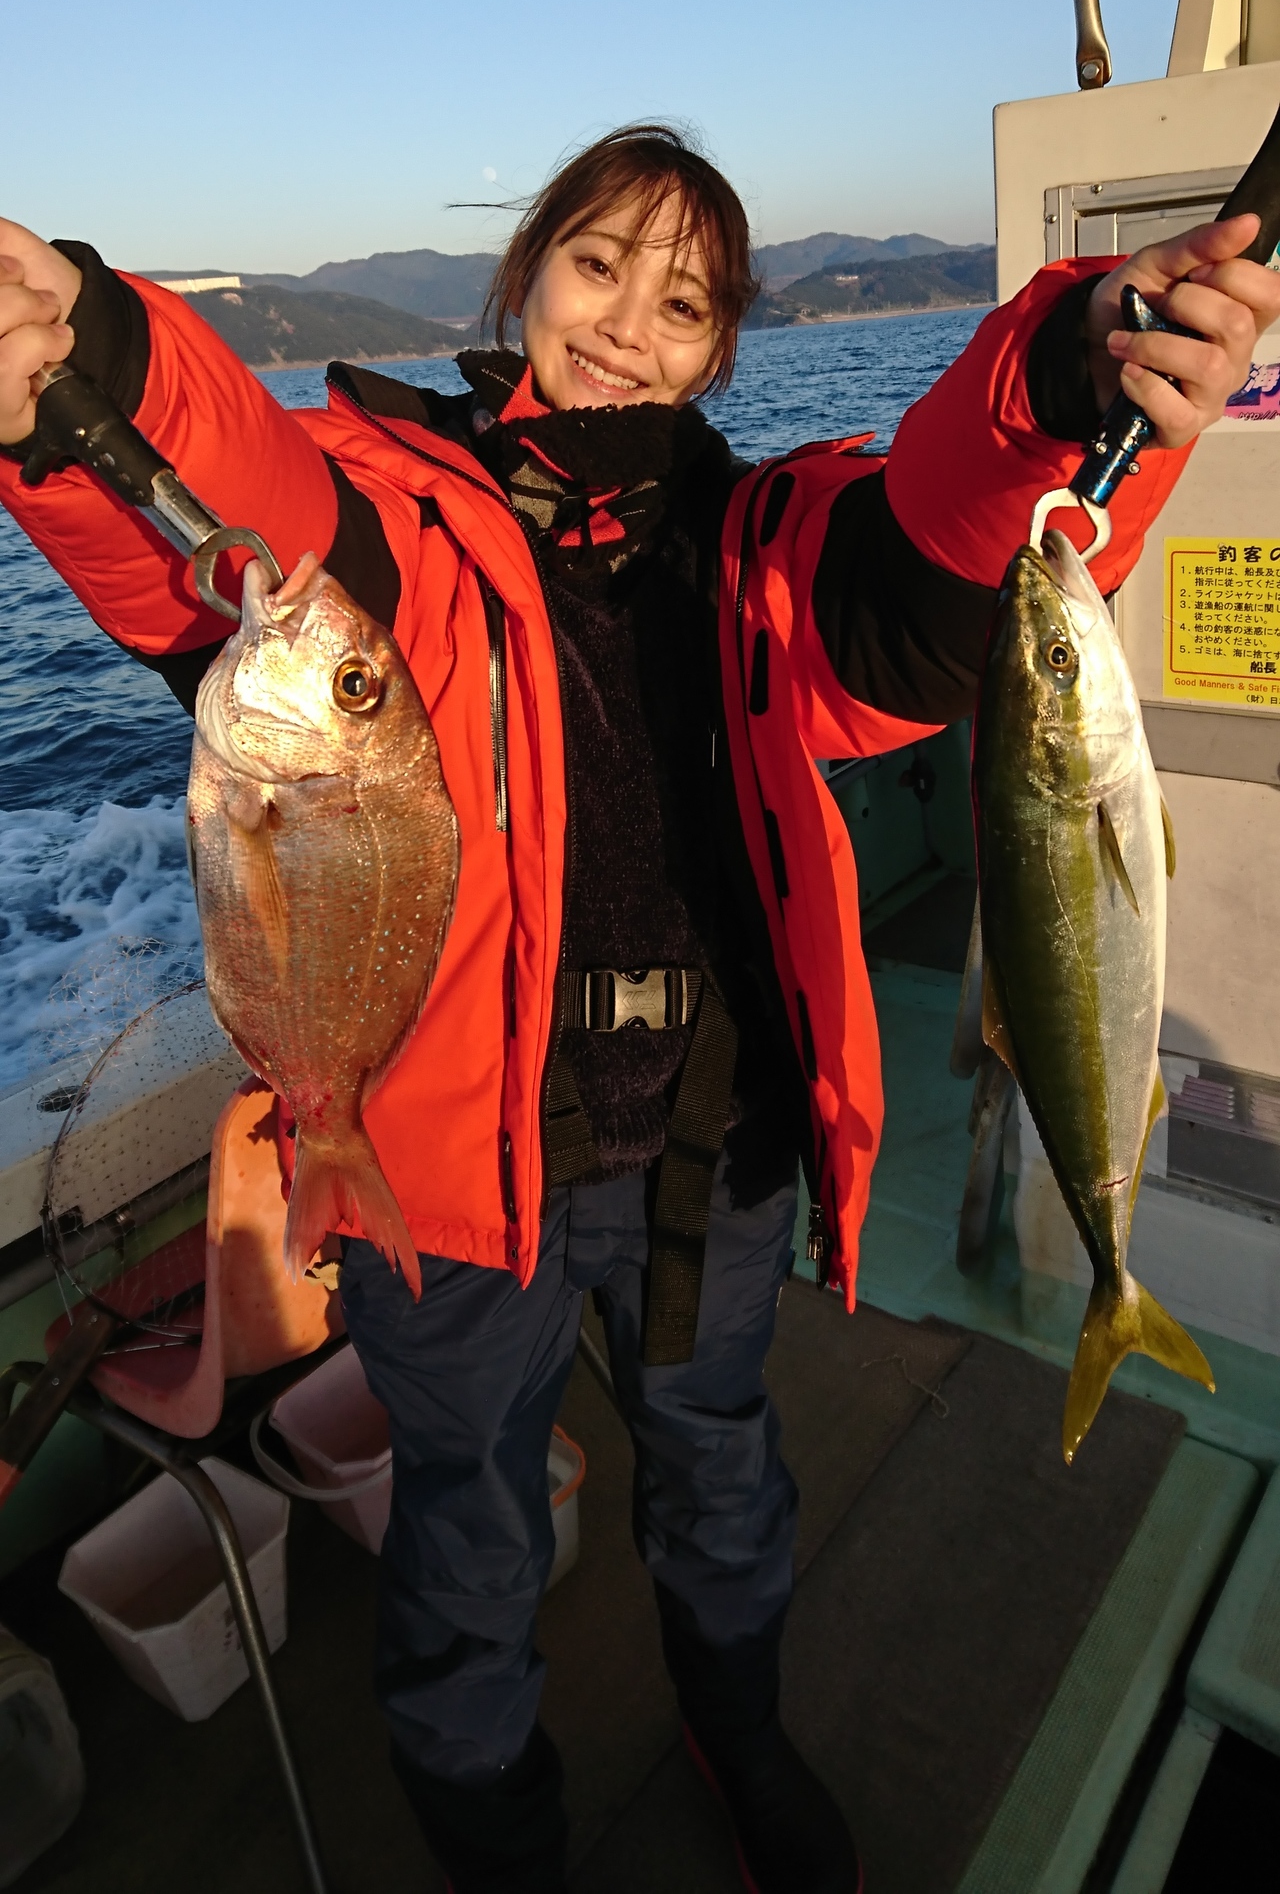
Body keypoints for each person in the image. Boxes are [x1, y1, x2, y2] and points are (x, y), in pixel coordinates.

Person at [1, 128, 1276, 1894]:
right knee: (466, 1539)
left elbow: (933, 548)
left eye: (682, 304)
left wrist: (1074, 375)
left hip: (714, 1153)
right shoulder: (400, 521)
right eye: (598, 267)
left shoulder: (768, 542)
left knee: (722, 1479)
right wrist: (89, 366)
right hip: (460, 1189)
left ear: (722, 347)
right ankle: (496, 1841)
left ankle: (739, 1732)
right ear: (527, 272)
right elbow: (243, 513)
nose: (625, 325)